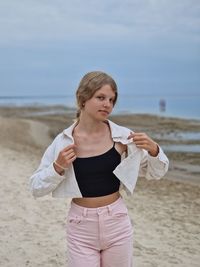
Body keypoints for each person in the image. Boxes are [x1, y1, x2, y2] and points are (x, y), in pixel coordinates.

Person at [30, 71, 169, 267]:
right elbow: (35, 188)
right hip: (80, 226)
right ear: (83, 99)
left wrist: (154, 150)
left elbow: (157, 173)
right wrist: (57, 167)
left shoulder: (124, 138)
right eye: (101, 97)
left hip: (117, 222)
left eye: (111, 100)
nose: (107, 105)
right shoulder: (62, 143)